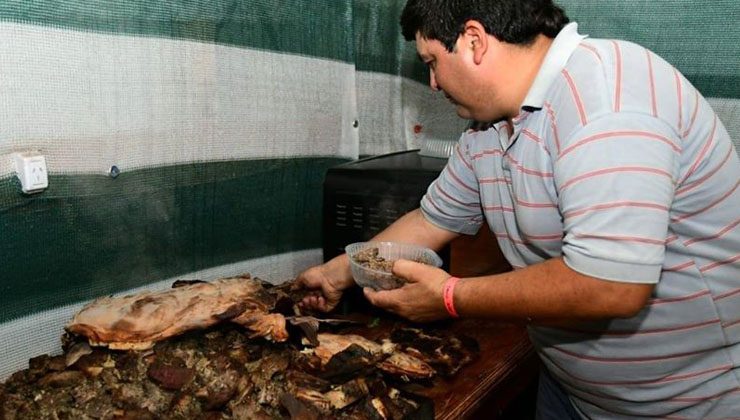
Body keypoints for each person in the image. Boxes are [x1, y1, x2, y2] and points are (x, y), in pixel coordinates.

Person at [297, 0, 740, 418]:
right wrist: (340, 272)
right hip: (572, 390)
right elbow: (431, 220)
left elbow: (611, 285)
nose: (432, 83)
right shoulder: (487, 130)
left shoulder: (607, 97)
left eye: (431, 62)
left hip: (688, 401)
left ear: (474, 40)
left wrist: (450, 297)